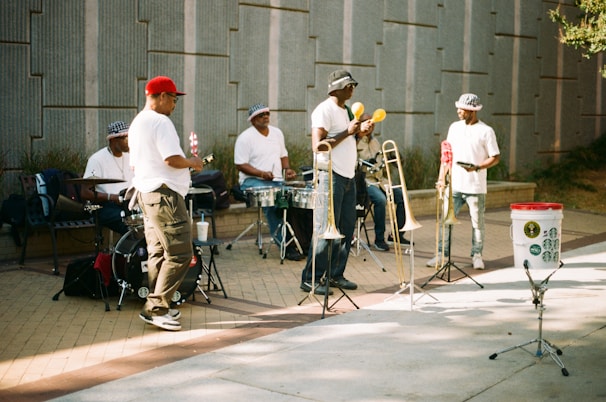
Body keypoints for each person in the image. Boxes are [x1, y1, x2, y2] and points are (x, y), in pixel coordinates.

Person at [129, 75, 205, 331]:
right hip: (164, 196)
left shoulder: (138, 122)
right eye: (173, 99)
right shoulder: (160, 121)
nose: (174, 105)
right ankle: (157, 307)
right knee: (181, 252)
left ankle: (158, 303)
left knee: (159, 252)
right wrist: (192, 163)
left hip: (147, 193)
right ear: (161, 97)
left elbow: (137, 164)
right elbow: (171, 159)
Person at [300, 69, 373, 295]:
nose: (352, 89)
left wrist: (360, 131)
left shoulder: (347, 110)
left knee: (345, 229)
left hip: (348, 177)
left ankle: (335, 275)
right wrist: (347, 131)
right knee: (324, 229)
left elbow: (349, 138)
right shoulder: (324, 110)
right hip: (330, 176)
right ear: (336, 88)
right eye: (349, 85)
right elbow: (317, 146)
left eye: (353, 85)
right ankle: (311, 279)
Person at [426, 93, 500, 270]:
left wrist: (477, 167)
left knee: (477, 223)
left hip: (475, 185)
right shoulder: (454, 127)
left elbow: (495, 157)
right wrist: (441, 178)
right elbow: (447, 155)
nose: (458, 111)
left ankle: (477, 255)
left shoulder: (486, 131)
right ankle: (441, 255)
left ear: (472, 111)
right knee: (445, 221)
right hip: (454, 185)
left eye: (462, 109)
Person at [234, 103, 303, 261]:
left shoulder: (277, 133)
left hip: (276, 181)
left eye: (267, 113)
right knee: (274, 205)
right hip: (252, 181)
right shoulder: (245, 138)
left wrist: (287, 170)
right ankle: (285, 246)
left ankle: (302, 242)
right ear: (252, 120)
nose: (265, 117)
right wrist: (261, 174)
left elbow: (283, 155)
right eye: (261, 115)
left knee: (291, 201)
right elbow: (240, 164)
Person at [356, 113, 410, 251]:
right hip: (365, 181)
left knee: (403, 196)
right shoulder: (355, 141)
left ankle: (397, 234)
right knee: (380, 200)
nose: (370, 126)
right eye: (367, 123)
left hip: (381, 180)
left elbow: (381, 160)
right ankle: (379, 239)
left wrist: (392, 157)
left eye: (372, 123)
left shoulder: (376, 141)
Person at [81, 121, 134, 236]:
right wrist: (111, 197)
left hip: (128, 204)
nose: (129, 142)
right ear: (113, 140)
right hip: (104, 206)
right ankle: (126, 253)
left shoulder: (131, 157)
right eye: (124, 138)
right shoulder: (97, 159)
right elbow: (84, 193)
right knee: (129, 224)